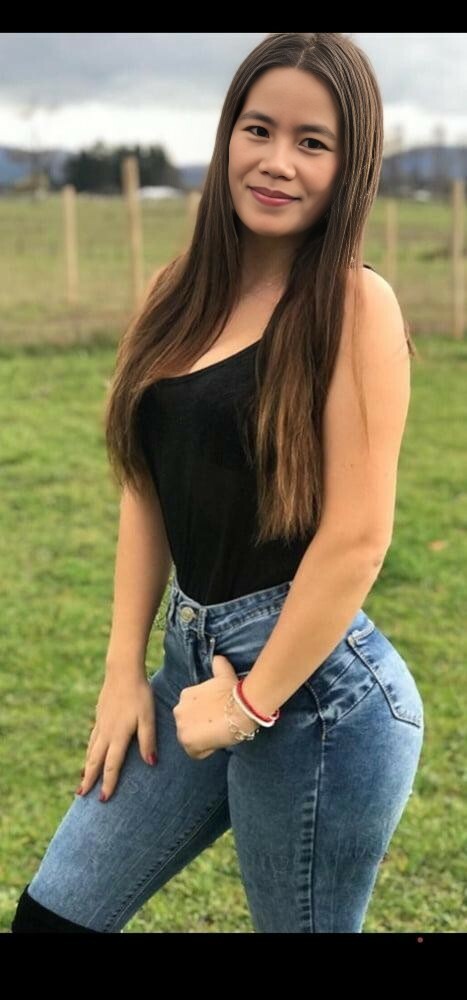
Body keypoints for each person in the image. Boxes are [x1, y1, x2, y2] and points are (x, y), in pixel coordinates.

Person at [11, 31, 424, 935]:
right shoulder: (177, 291)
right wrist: (123, 672)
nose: (277, 162)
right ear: (227, 134)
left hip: (315, 698)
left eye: (312, 142)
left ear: (349, 166)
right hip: (184, 669)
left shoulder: (355, 305)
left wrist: (246, 706)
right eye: (258, 129)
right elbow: (145, 487)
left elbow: (357, 538)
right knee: (53, 916)